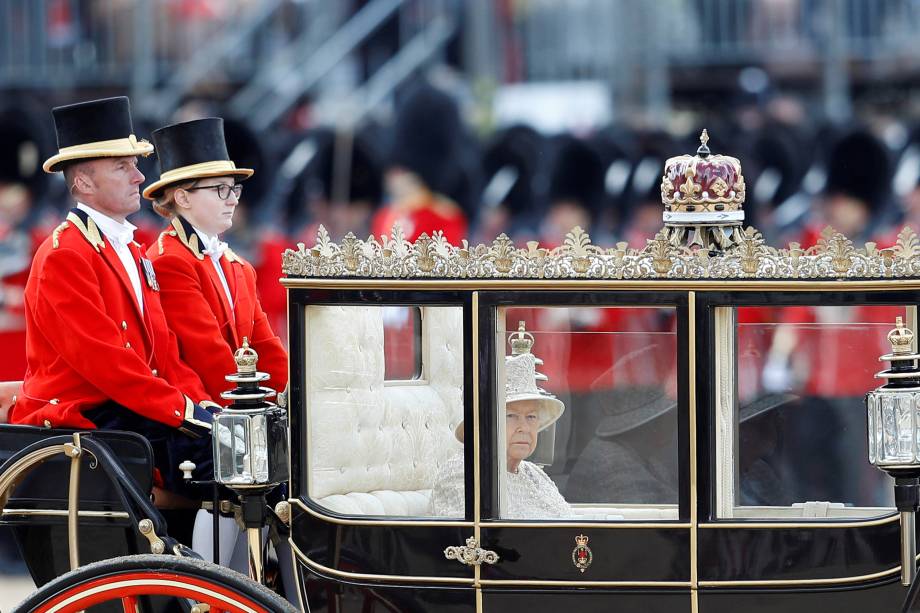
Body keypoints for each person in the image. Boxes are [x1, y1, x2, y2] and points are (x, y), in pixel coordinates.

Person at [7, 96, 219, 498]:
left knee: (247, 455)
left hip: (132, 410)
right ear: (84, 182)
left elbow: (166, 357)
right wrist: (190, 415)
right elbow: (109, 366)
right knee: (230, 466)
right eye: (123, 166)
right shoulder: (64, 254)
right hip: (87, 419)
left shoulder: (134, 251)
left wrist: (208, 408)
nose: (140, 176)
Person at [143, 117, 287, 406]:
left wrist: (294, 397)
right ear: (183, 197)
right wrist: (256, 410)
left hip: (240, 407)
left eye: (234, 189)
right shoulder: (169, 260)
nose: (232, 199)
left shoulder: (239, 267)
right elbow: (208, 356)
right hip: (204, 414)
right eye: (220, 189)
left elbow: (266, 348)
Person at [429, 322, 571, 519]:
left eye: (531, 417)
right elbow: (473, 543)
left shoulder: (534, 474)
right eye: (511, 416)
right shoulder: (463, 474)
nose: (524, 428)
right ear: (486, 423)